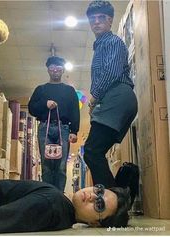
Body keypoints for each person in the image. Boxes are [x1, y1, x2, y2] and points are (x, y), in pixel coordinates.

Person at [0, 110, 130, 233]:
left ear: (96, 224)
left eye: (99, 204)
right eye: (99, 190)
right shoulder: (61, 207)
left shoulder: (50, 205)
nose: (92, 195)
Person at [84, 1, 138, 188]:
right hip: (116, 98)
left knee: (92, 151)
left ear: (110, 21)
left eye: (101, 18)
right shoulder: (100, 46)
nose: (96, 22)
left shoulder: (113, 41)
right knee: (94, 152)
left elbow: (111, 73)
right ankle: (112, 203)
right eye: (93, 19)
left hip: (118, 97)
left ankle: (112, 207)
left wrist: (93, 99)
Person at [28, 56, 80, 192]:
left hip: (63, 128)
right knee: (46, 165)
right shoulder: (41, 89)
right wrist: (44, 104)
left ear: (63, 71)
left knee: (61, 165)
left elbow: (75, 111)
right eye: (52, 68)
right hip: (44, 127)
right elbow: (31, 108)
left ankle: (59, 196)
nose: (55, 70)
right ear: (48, 70)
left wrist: (74, 131)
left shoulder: (69, 91)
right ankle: (48, 194)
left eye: (58, 68)